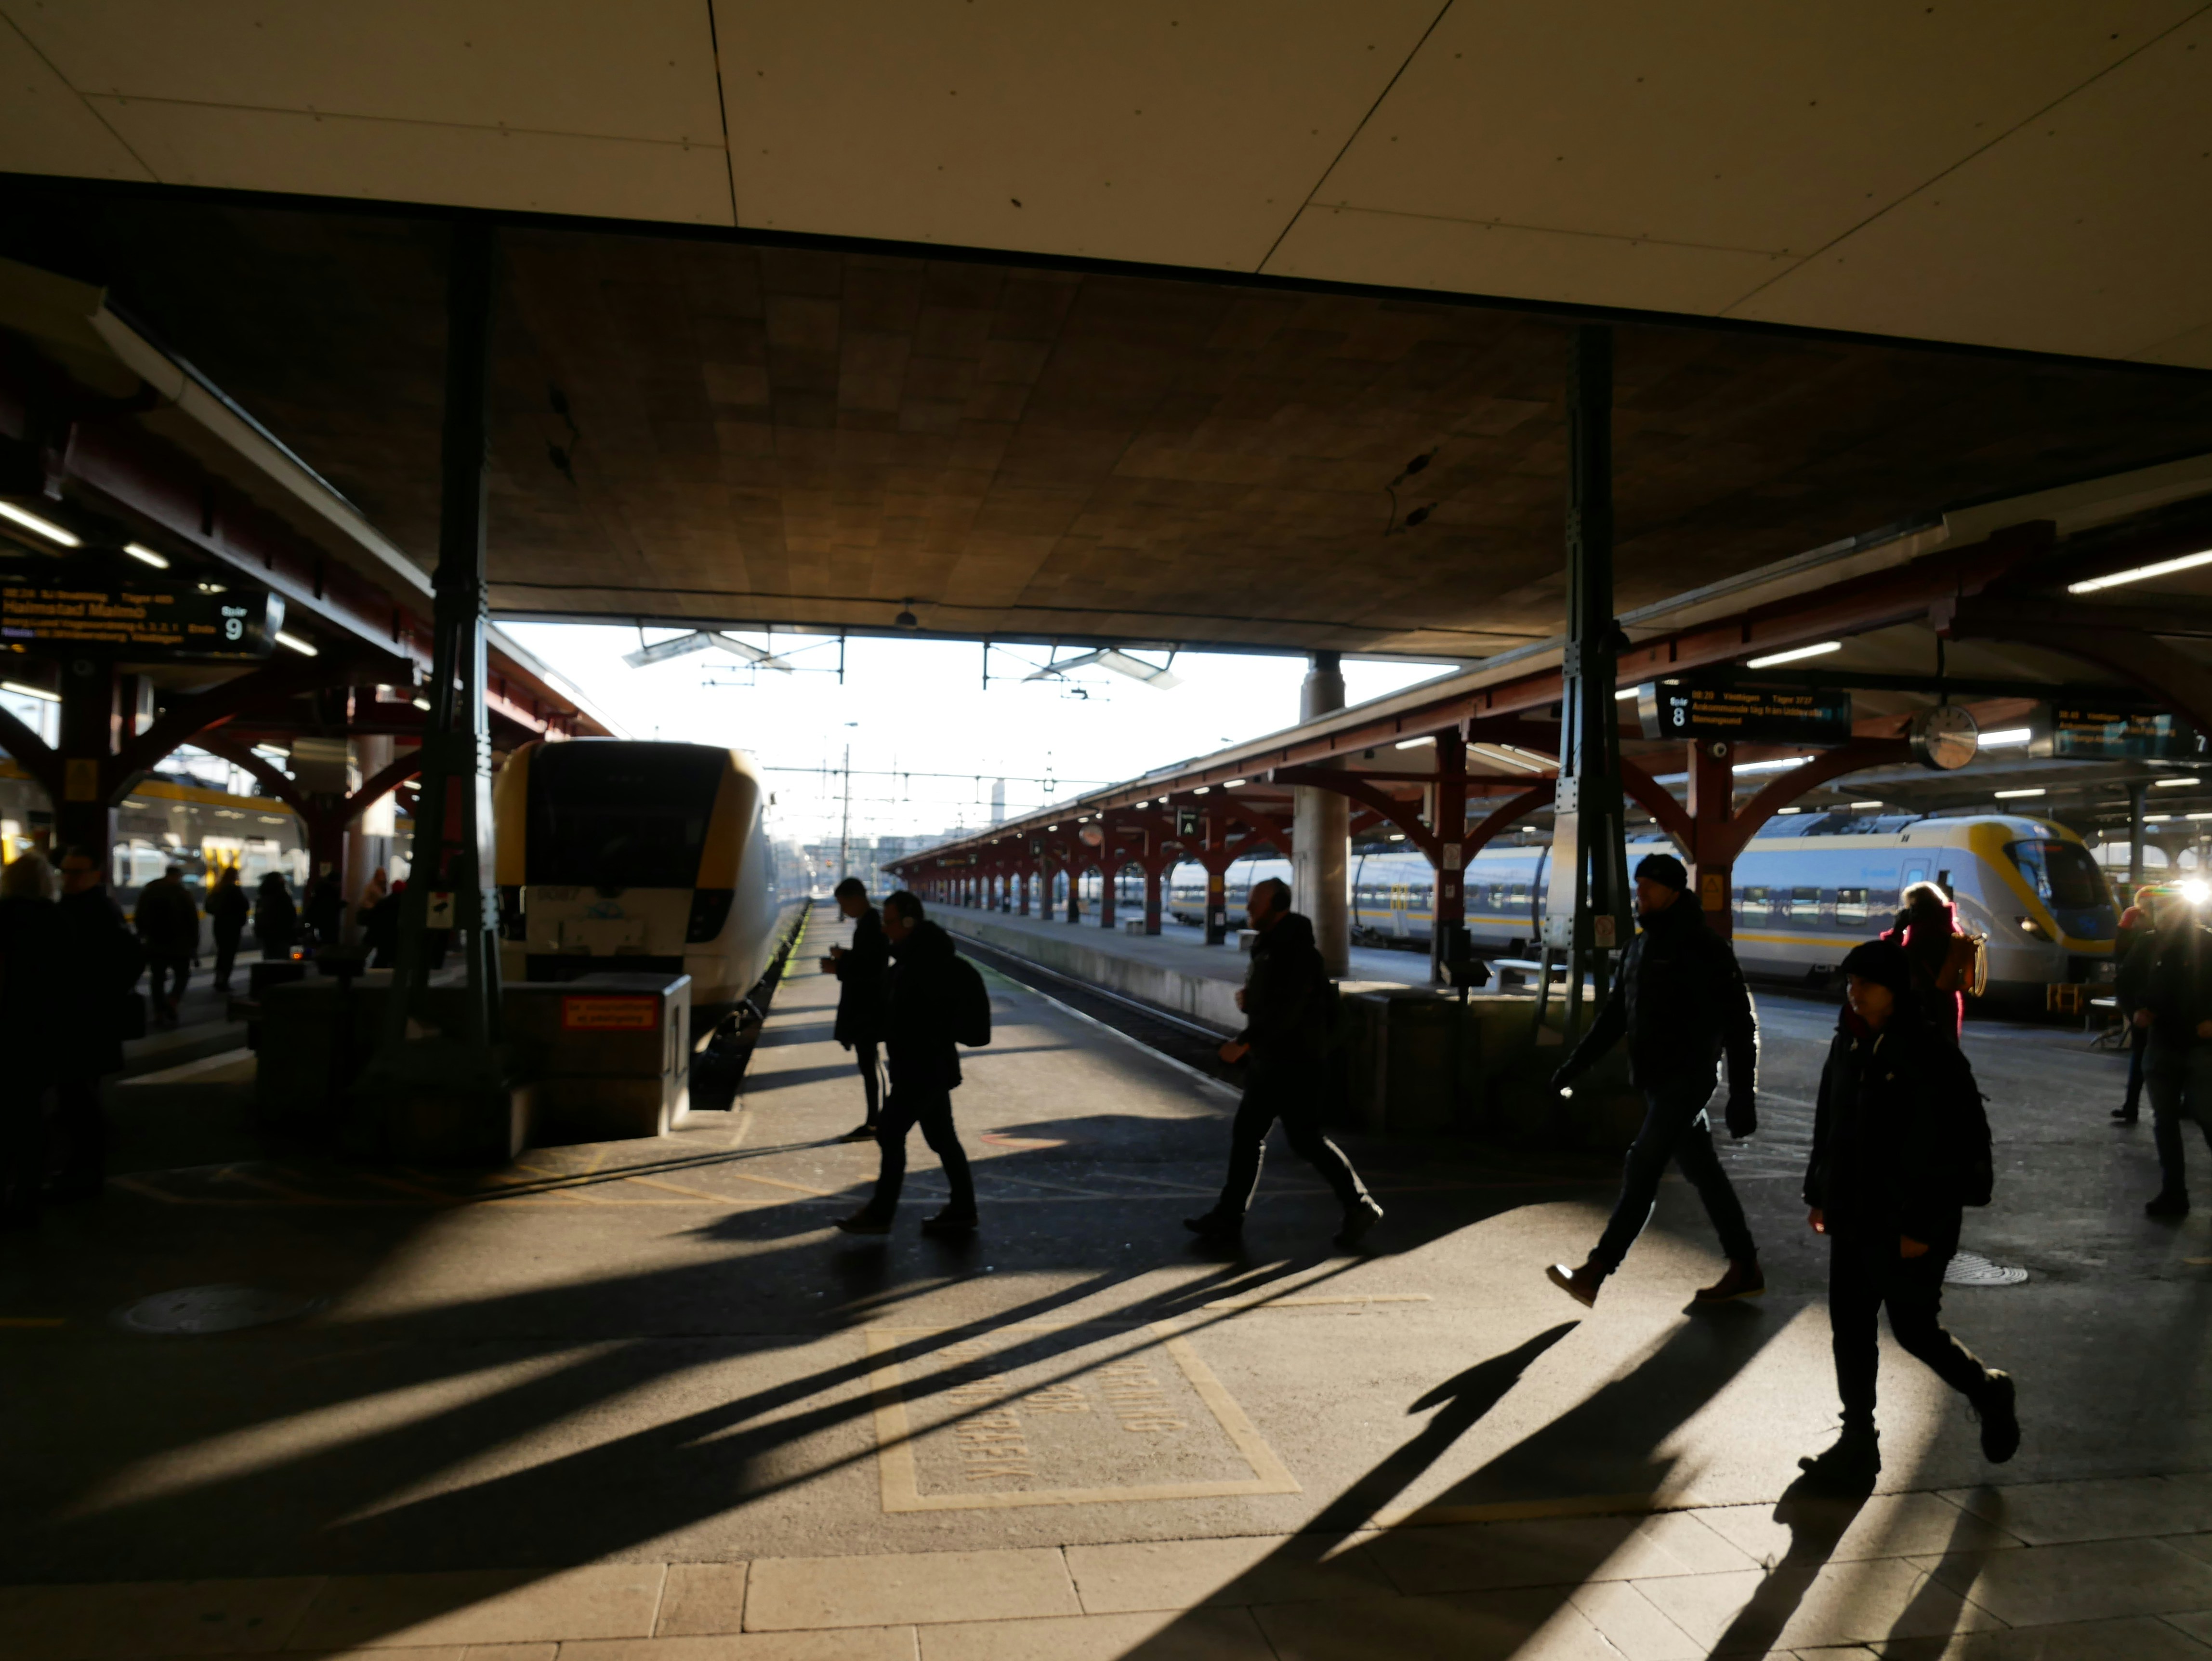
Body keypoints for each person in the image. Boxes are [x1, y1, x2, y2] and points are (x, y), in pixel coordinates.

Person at [1798, 938, 2018, 1489]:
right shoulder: (1847, 1041)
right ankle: (1857, 1442)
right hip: (1852, 1210)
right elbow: (1829, 1119)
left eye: (1865, 985)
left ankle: (1986, 1390)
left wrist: (1921, 1224)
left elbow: (1960, 1143)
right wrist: (1818, 1191)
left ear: (1894, 991)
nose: (1854, 993)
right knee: (1849, 1327)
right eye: (1849, 983)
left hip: (1907, 1220)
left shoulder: (1928, 1050)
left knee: (1914, 1330)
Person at [1545, 852, 1762, 1307]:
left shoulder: (1706, 947)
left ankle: (1595, 1272)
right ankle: (1745, 1268)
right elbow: (1613, 1019)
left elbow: (1740, 1024)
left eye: (1647, 887)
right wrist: (1574, 1067)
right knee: (1705, 1173)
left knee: (1641, 1166)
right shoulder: (1639, 948)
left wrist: (1744, 1092)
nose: (1638, 895)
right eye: (1637, 886)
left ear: (1674, 892)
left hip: (1687, 1078)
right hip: (1656, 1080)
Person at [1183, 876, 1382, 1248]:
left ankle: (1360, 1205)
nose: (1248, 910)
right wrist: (1251, 999)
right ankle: (1229, 1218)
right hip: (1275, 1059)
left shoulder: (1296, 950)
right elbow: (1277, 1000)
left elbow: (1289, 1011)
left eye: (1255, 905)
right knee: (1258, 1135)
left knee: (1301, 1139)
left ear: (1276, 907)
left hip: (1296, 1062)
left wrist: (1243, 1042)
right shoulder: (1271, 946)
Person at [836, 890, 979, 1238]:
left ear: (909, 922)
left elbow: (914, 1017)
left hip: (922, 1069)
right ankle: (963, 1209)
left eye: (889, 922)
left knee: (890, 1132)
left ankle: (881, 1213)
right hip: (926, 1068)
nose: (884, 929)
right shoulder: (912, 960)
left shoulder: (922, 965)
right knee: (942, 1138)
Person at [52, 846, 145, 1202]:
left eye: (76, 872)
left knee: (79, 1098)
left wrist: (97, 995)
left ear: (95, 874)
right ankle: (82, 1170)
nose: (69, 879)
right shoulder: (98, 910)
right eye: (65, 872)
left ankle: (84, 1172)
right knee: (79, 1095)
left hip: (83, 1020)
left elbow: (126, 961)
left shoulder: (90, 913)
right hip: (89, 1019)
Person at [2119, 892, 2212, 1217]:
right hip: (2164, 1043)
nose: (2162, 916)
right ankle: (2174, 1193)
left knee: (2203, 1115)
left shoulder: (2205, 944)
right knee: (2168, 1120)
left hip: (2198, 1047)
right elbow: (2125, 981)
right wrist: (2135, 1014)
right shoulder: (2148, 945)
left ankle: (2174, 1194)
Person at [0, 852, 66, 1226]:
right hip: (42, 1033)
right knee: (32, 1114)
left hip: (7, 1027)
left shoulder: (3, 915)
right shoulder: (58, 920)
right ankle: (27, 1194)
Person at [822, 877, 890, 1143]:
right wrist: (845, 958)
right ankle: (877, 1120)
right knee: (872, 1063)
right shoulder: (869, 922)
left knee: (870, 1064)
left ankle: (875, 1122)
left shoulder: (871, 923)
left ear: (855, 899)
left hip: (868, 1008)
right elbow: (868, 962)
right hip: (869, 1006)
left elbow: (872, 969)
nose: (843, 910)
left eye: (843, 904)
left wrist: (839, 966)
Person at [1882, 879, 1967, 1045]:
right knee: (1946, 1050)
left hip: (1926, 1000)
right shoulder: (1949, 925)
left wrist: (1898, 929)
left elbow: (1894, 958)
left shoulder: (1925, 929)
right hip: (1947, 998)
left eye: (1911, 906)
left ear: (1919, 906)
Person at [2111, 884, 2159, 1125]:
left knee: (2140, 1056)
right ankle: (2133, 1105)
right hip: (2149, 1001)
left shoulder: (2138, 928)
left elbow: (2121, 964)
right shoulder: (2147, 934)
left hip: (2143, 1003)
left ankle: (2132, 1106)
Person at [133, 861, 201, 1026]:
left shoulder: (149, 892)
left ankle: (158, 1012)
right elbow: (192, 921)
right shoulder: (183, 894)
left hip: (156, 944)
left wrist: (144, 935)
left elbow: (139, 916)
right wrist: (194, 945)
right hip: (180, 944)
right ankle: (173, 1000)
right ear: (177, 876)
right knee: (183, 975)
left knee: (157, 979)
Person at [205, 865, 249, 992]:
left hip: (219, 925)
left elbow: (209, 907)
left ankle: (218, 979)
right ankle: (224, 981)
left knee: (222, 953)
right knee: (229, 955)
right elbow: (244, 906)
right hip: (232, 927)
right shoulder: (234, 889)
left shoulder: (217, 889)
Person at [254, 871, 298, 961]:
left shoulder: (262, 897)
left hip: (266, 934)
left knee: (269, 958)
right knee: (282, 960)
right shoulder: (283, 895)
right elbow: (290, 914)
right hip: (281, 933)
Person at [364, 878, 404, 968]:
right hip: (397, 936)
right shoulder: (405, 905)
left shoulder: (383, 902)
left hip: (383, 936)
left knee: (382, 957)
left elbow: (373, 918)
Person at [303, 874, 344, 948]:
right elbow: (330, 908)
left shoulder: (320, 892)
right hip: (329, 925)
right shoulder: (332, 893)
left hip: (319, 924)